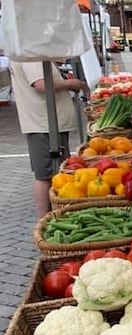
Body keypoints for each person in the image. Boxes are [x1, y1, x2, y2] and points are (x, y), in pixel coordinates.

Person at [9, 60, 88, 217]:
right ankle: (45, 219)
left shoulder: (30, 52)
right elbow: (41, 84)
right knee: (45, 175)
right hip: (44, 125)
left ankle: (55, 214)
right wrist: (70, 83)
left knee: (55, 173)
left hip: (49, 124)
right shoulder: (32, 55)